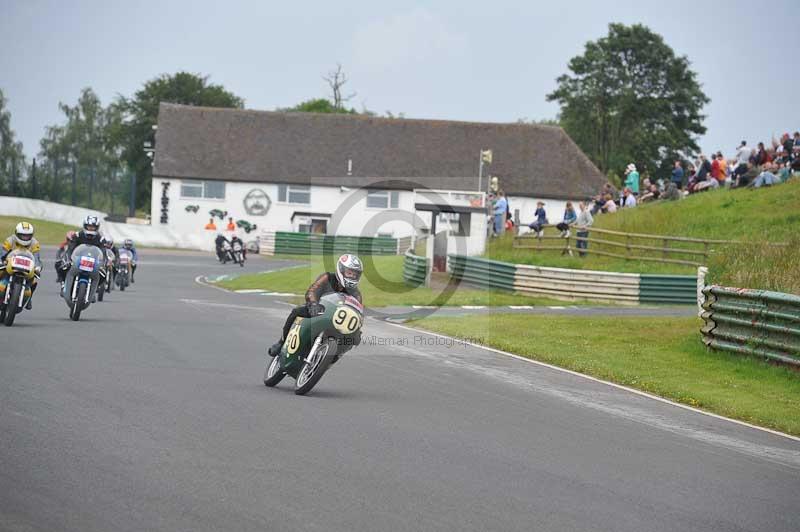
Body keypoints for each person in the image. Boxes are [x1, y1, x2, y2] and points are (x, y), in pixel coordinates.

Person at [268, 254, 364, 357]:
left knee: (350, 341)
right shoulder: (327, 277)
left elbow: (358, 314)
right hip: (318, 310)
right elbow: (312, 290)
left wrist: (357, 330)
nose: (352, 276)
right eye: (349, 273)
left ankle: (329, 361)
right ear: (341, 269)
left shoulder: (356, 294)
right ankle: (281, 342)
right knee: (296, 311)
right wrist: (313, 304)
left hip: (337, 323)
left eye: (355, 275)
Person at [1, 222, 42, 310]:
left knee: (34, 281)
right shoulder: (10, 240)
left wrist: (37, 267)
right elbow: (2, 254)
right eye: (23, 235)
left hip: (26, 267)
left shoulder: (35, 243)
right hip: (9, 264)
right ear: (17, 234)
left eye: (27, 236)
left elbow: (37, 258)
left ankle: (29, 299)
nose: (25, 238)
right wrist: (2, 261)